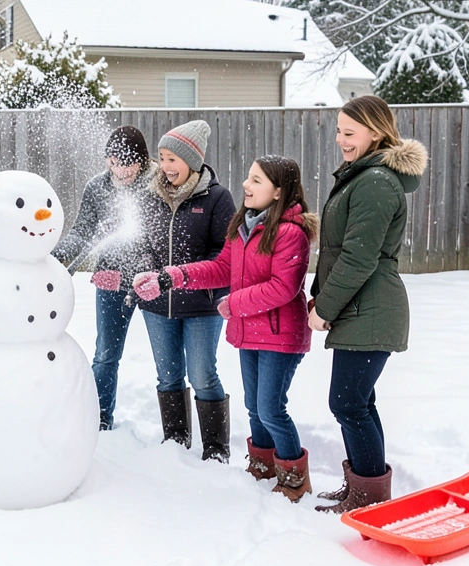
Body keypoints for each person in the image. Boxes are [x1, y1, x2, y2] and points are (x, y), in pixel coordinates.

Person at [141, 156, 318, 500]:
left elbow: (284, 287)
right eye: (248, 178)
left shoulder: (291, 233)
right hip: (250, 330)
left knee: (270, 408)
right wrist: (176, 276)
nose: (245, 185)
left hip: (281, 335)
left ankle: (294, 476)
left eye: (256, 181)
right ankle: (263, 466)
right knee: (254, 405)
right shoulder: (244, 226)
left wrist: (233, 304)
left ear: (279, 191)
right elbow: (222, 267)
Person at [308, 95, 427, 513]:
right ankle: (363, 488)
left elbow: (359, 257)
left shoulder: (375, 182)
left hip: (371, 307)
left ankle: (368, 498)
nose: (341, 140)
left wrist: (323, 308)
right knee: (358, 402)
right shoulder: (365, 176)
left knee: (348, 403)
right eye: (338, 131)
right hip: (361, 306)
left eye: (349, 132)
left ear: (375, 133)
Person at [130, 120, 236, 461]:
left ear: (192, 160)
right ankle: (175, 441)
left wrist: (185, 275)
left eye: (173, 158)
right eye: (161, 157)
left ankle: (216, 448)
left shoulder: (217, 198)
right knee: (168, 374)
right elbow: (142, 243)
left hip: (202, 305)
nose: (165, 166)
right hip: (158, 305)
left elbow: (224, 252)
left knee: (203, 374)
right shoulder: (150, 196)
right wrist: (146, 270)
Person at [51, 126, 157, 430]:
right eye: (114, 164)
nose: (121, 172)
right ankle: (100, 419)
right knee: (106, 354)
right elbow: (82, 230)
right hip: (112, 280)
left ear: (142, 160)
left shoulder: (159, 183)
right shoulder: (97, 187)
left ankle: (175, 432)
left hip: (153, 282)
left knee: (168, 363)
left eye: (129, 165)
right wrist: (59, 254)